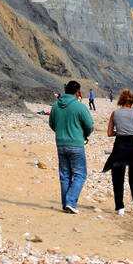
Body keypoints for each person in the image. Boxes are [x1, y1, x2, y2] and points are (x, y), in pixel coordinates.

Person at [48, 79, 93, 213]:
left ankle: (66, 203)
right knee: (80, 174)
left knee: (65, 174)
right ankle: (71, 202)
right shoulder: (79, 107)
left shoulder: (56, 106)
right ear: (78, 92)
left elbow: (52, 123)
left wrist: (60, 131)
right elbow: (90, 125)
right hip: (76, 143)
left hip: (61, 143)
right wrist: (84, 133)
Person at [102, 89, 133, 214]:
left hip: (120, 145)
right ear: (131, 101)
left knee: (118, 178)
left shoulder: (114, 114)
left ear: (120, 101)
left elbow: (109, 133)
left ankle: (120, 207)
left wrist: (119, 132)